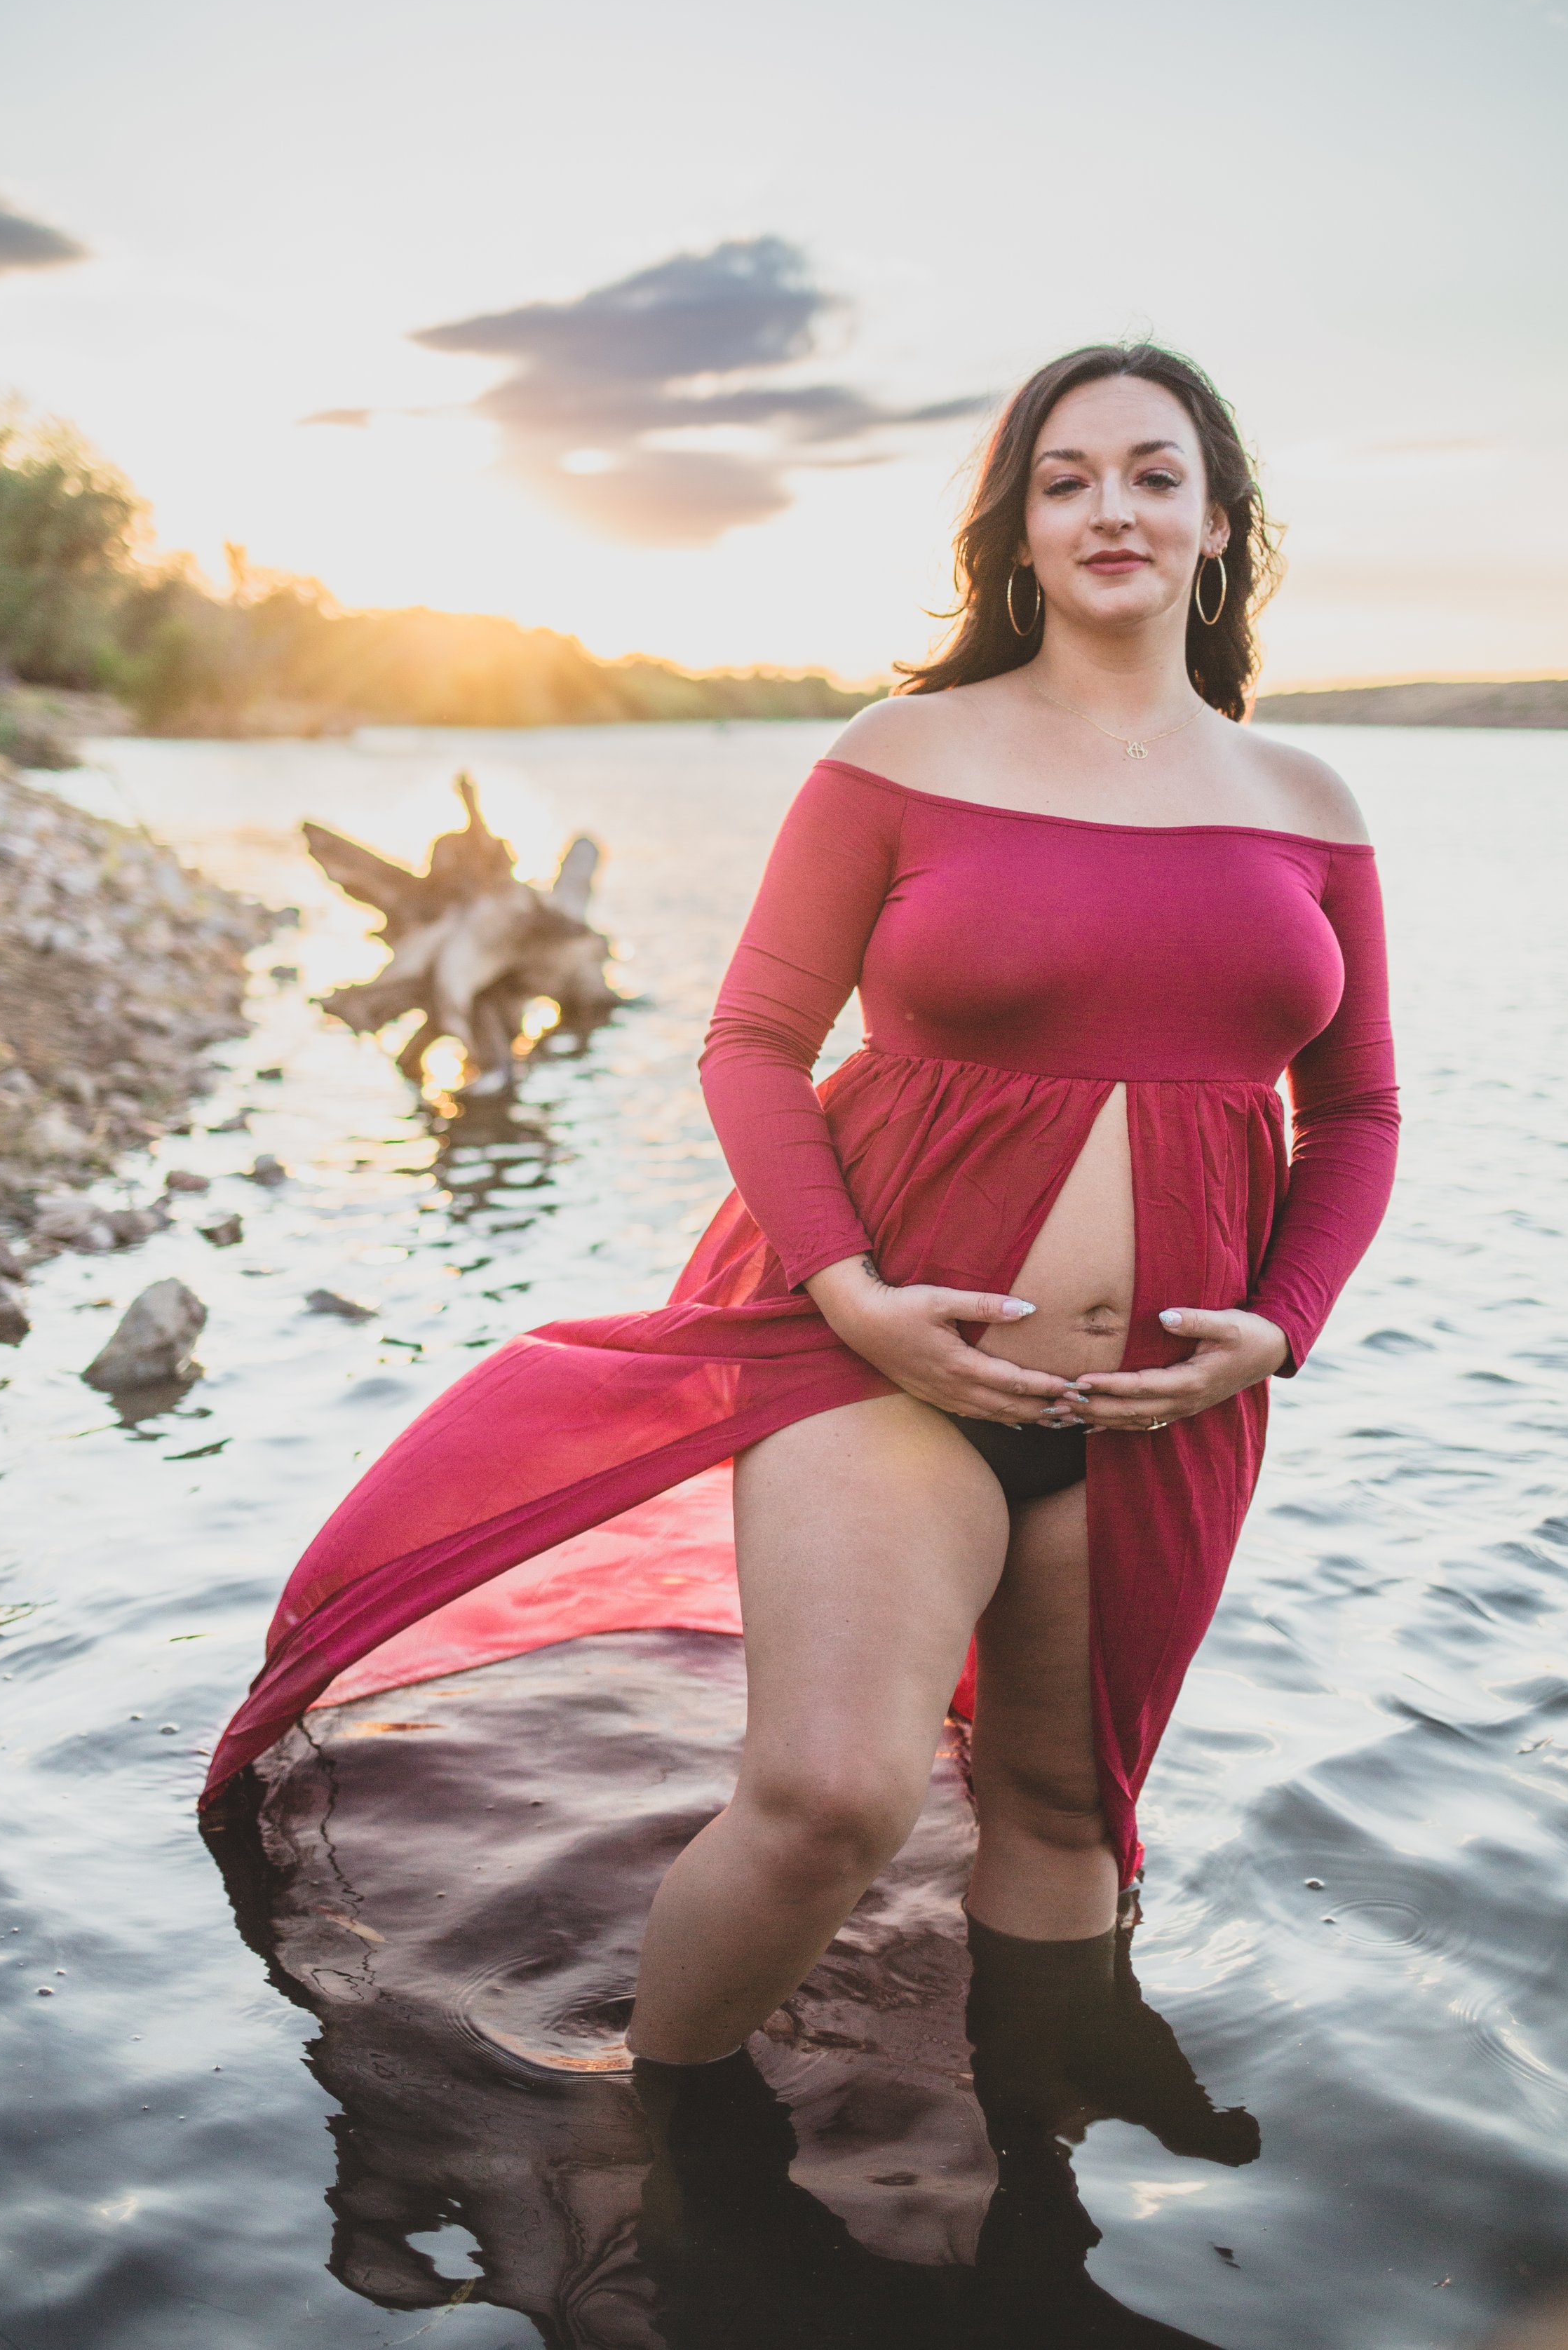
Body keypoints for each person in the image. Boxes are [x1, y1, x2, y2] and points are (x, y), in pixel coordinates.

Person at [203, 341, 1398, 2091]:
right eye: (1063, 480)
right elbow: (753, 1042)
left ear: (1221, 525)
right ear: (1015, 534)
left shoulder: (1306, 804)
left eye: (1153, 474)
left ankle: (1029, 2199)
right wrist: (846, 1291)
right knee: (828, 1795)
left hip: (1161, 1403)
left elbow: (1353, 1107)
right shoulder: (902, 753)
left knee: (1063, 1806)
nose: (1110, 510)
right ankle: (654, 2149)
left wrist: (1278, 1325)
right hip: (878, 1359)